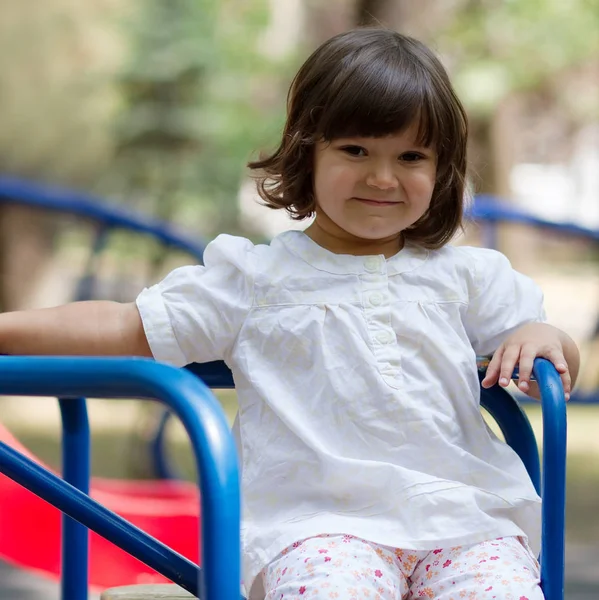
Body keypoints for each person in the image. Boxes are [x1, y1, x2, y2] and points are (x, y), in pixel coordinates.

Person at [0, 28, 579, 600]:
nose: (382, 177)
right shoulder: (255, 278)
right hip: (317, 527)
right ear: (308, 152)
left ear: (441, 170)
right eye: (356, 150)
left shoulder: (467, 277)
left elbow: (554, 353)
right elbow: (127, 325)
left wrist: (540, 336)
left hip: (464, 521)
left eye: (410, 156)